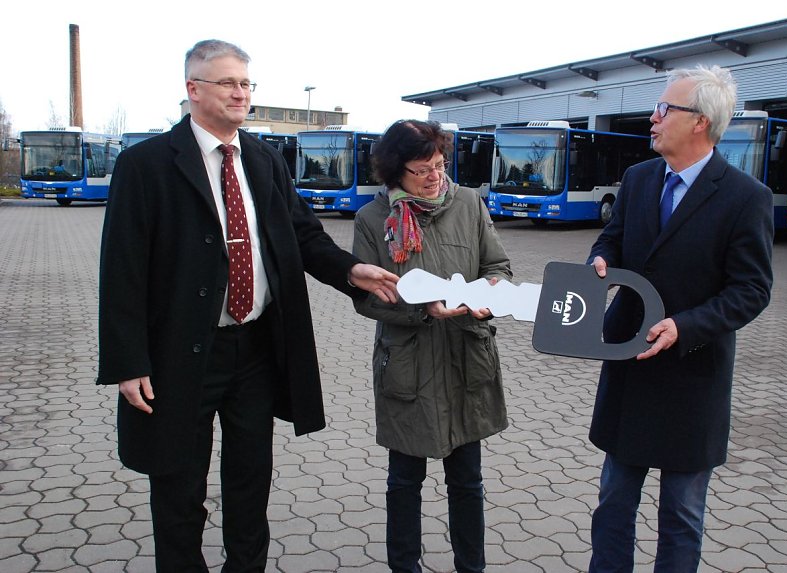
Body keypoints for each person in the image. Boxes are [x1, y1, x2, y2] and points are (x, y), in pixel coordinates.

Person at [97, 39, 399, 572]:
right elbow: (121, 269)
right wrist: (127, 362)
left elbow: (303, 235)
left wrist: (350, 269)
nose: (242, 94)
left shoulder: (261, 159)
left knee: (250, 481)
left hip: (256, 348)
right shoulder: (145, 165)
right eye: (228, 83)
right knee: (178, 487)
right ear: (193, 89)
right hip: (180, 354)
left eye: (247, 84)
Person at [586, 65, 774, 572]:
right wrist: (599, 260)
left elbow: (752, 290)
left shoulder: (745, 197)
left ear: (700, 122)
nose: (653, 117)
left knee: (682, 517)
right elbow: (614, 239)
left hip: (692, 378)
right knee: (613, 505)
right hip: (630, 364)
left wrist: (685, 326)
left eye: (665, 108)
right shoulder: (638, 178)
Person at [352, 120, 511, 573]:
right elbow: (365, 297)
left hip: (467, 360)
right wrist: (421, 310)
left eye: (439, 165)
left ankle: (471, 567)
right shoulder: (372, 219)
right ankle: (405, 566)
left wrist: (492, 294)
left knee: (468, 481)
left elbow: (498, 264)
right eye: (422, 170)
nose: (434, 177)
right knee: (404, 480)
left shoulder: (468, 204)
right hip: (409, 368)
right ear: (395, 172)